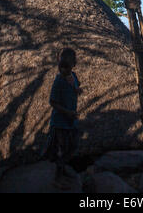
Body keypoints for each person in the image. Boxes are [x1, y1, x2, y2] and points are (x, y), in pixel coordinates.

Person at [44, 48, 82, 190]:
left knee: (73, 146)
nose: (64, 69)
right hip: (60, 122)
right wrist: (67, 112)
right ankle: (57, 178)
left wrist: (78, 90)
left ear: (74, 64)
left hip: (71, 120)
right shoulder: (58, 81)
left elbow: (77, 86)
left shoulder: (74, 76)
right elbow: (52, 102)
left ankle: (63, 167)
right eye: (61, 66)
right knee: (62, 148)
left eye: (67, 66)